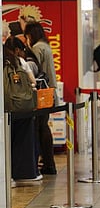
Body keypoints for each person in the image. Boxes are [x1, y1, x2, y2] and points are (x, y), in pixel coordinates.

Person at [3, 37, 41, 182]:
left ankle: (7, 176)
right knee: (23, 141)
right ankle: (26, 173)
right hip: (24, 109)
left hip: (7, 109)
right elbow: (33, 82)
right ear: (17, 50)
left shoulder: (3, 62)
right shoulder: (21, 62)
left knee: (7, 142)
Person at [24, 21, 57, 175]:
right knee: (43, 126)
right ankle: (48, 162)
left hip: (41, 93)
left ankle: (45, 163)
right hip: (49, 92)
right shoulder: (46, 46)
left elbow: (32, 68)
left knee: (40, 127)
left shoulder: (37, 49)